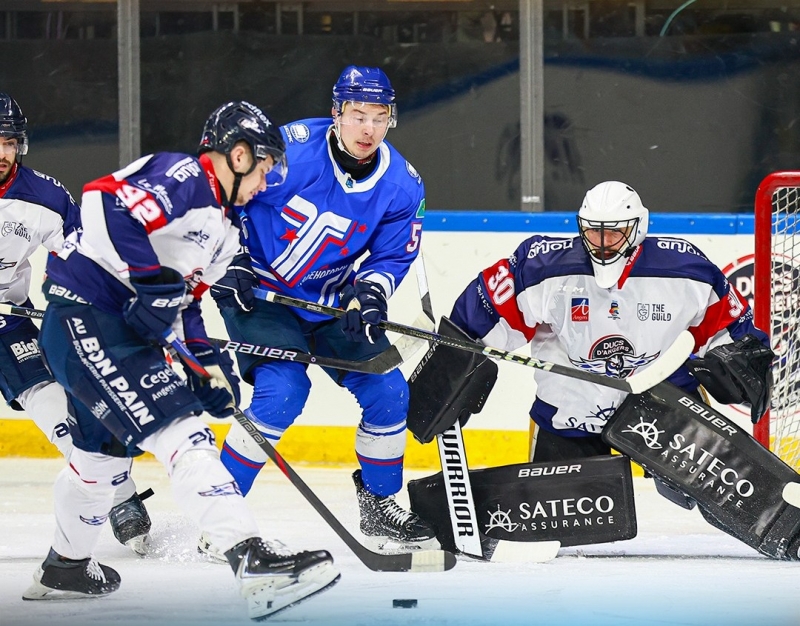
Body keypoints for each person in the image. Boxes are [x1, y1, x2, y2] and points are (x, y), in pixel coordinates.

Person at [22, 100, 340, 620]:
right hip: (87, 318)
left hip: (108, 333)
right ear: (237, 155)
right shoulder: (186, 177)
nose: (266, 182)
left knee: (98, 464)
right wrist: (149, 280)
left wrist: (209, 368)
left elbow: (185, 304)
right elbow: (105, 200)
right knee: (182, 431)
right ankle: (249, 557)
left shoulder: (224, 229)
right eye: (263, 168)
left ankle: (65, 567)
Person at [421, 180, 783, 555]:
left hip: (664, 407)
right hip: (573, 411)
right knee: (554, 535)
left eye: (615, 233)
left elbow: (733, 329)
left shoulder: (686, 269)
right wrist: (453, 368)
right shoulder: (543, 267)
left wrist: (743, 357)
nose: (603, 242)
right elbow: (480, 315)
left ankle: (787, 524)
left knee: (737, 497)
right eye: (593, 231)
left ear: (638, 229)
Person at [204, 66, 434, 556]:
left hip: (332, 302)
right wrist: (233, 257)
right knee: (283, 391)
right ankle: (219, 518)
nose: (368, 128)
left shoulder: (402, 184)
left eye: (379, 117)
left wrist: (369, 293)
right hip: (261, 292)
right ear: (336, 114)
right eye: (357, 116)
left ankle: (380, 503)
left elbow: (392, 255)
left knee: (389, 389)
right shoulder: (288, 149)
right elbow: (225, 196)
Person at [0, 93, 152, 556]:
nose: (0, 152)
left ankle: (121, 493)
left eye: (8, 142)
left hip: (7, 316)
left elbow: (79, 254)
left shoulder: (44, 196)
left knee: (51, 397)